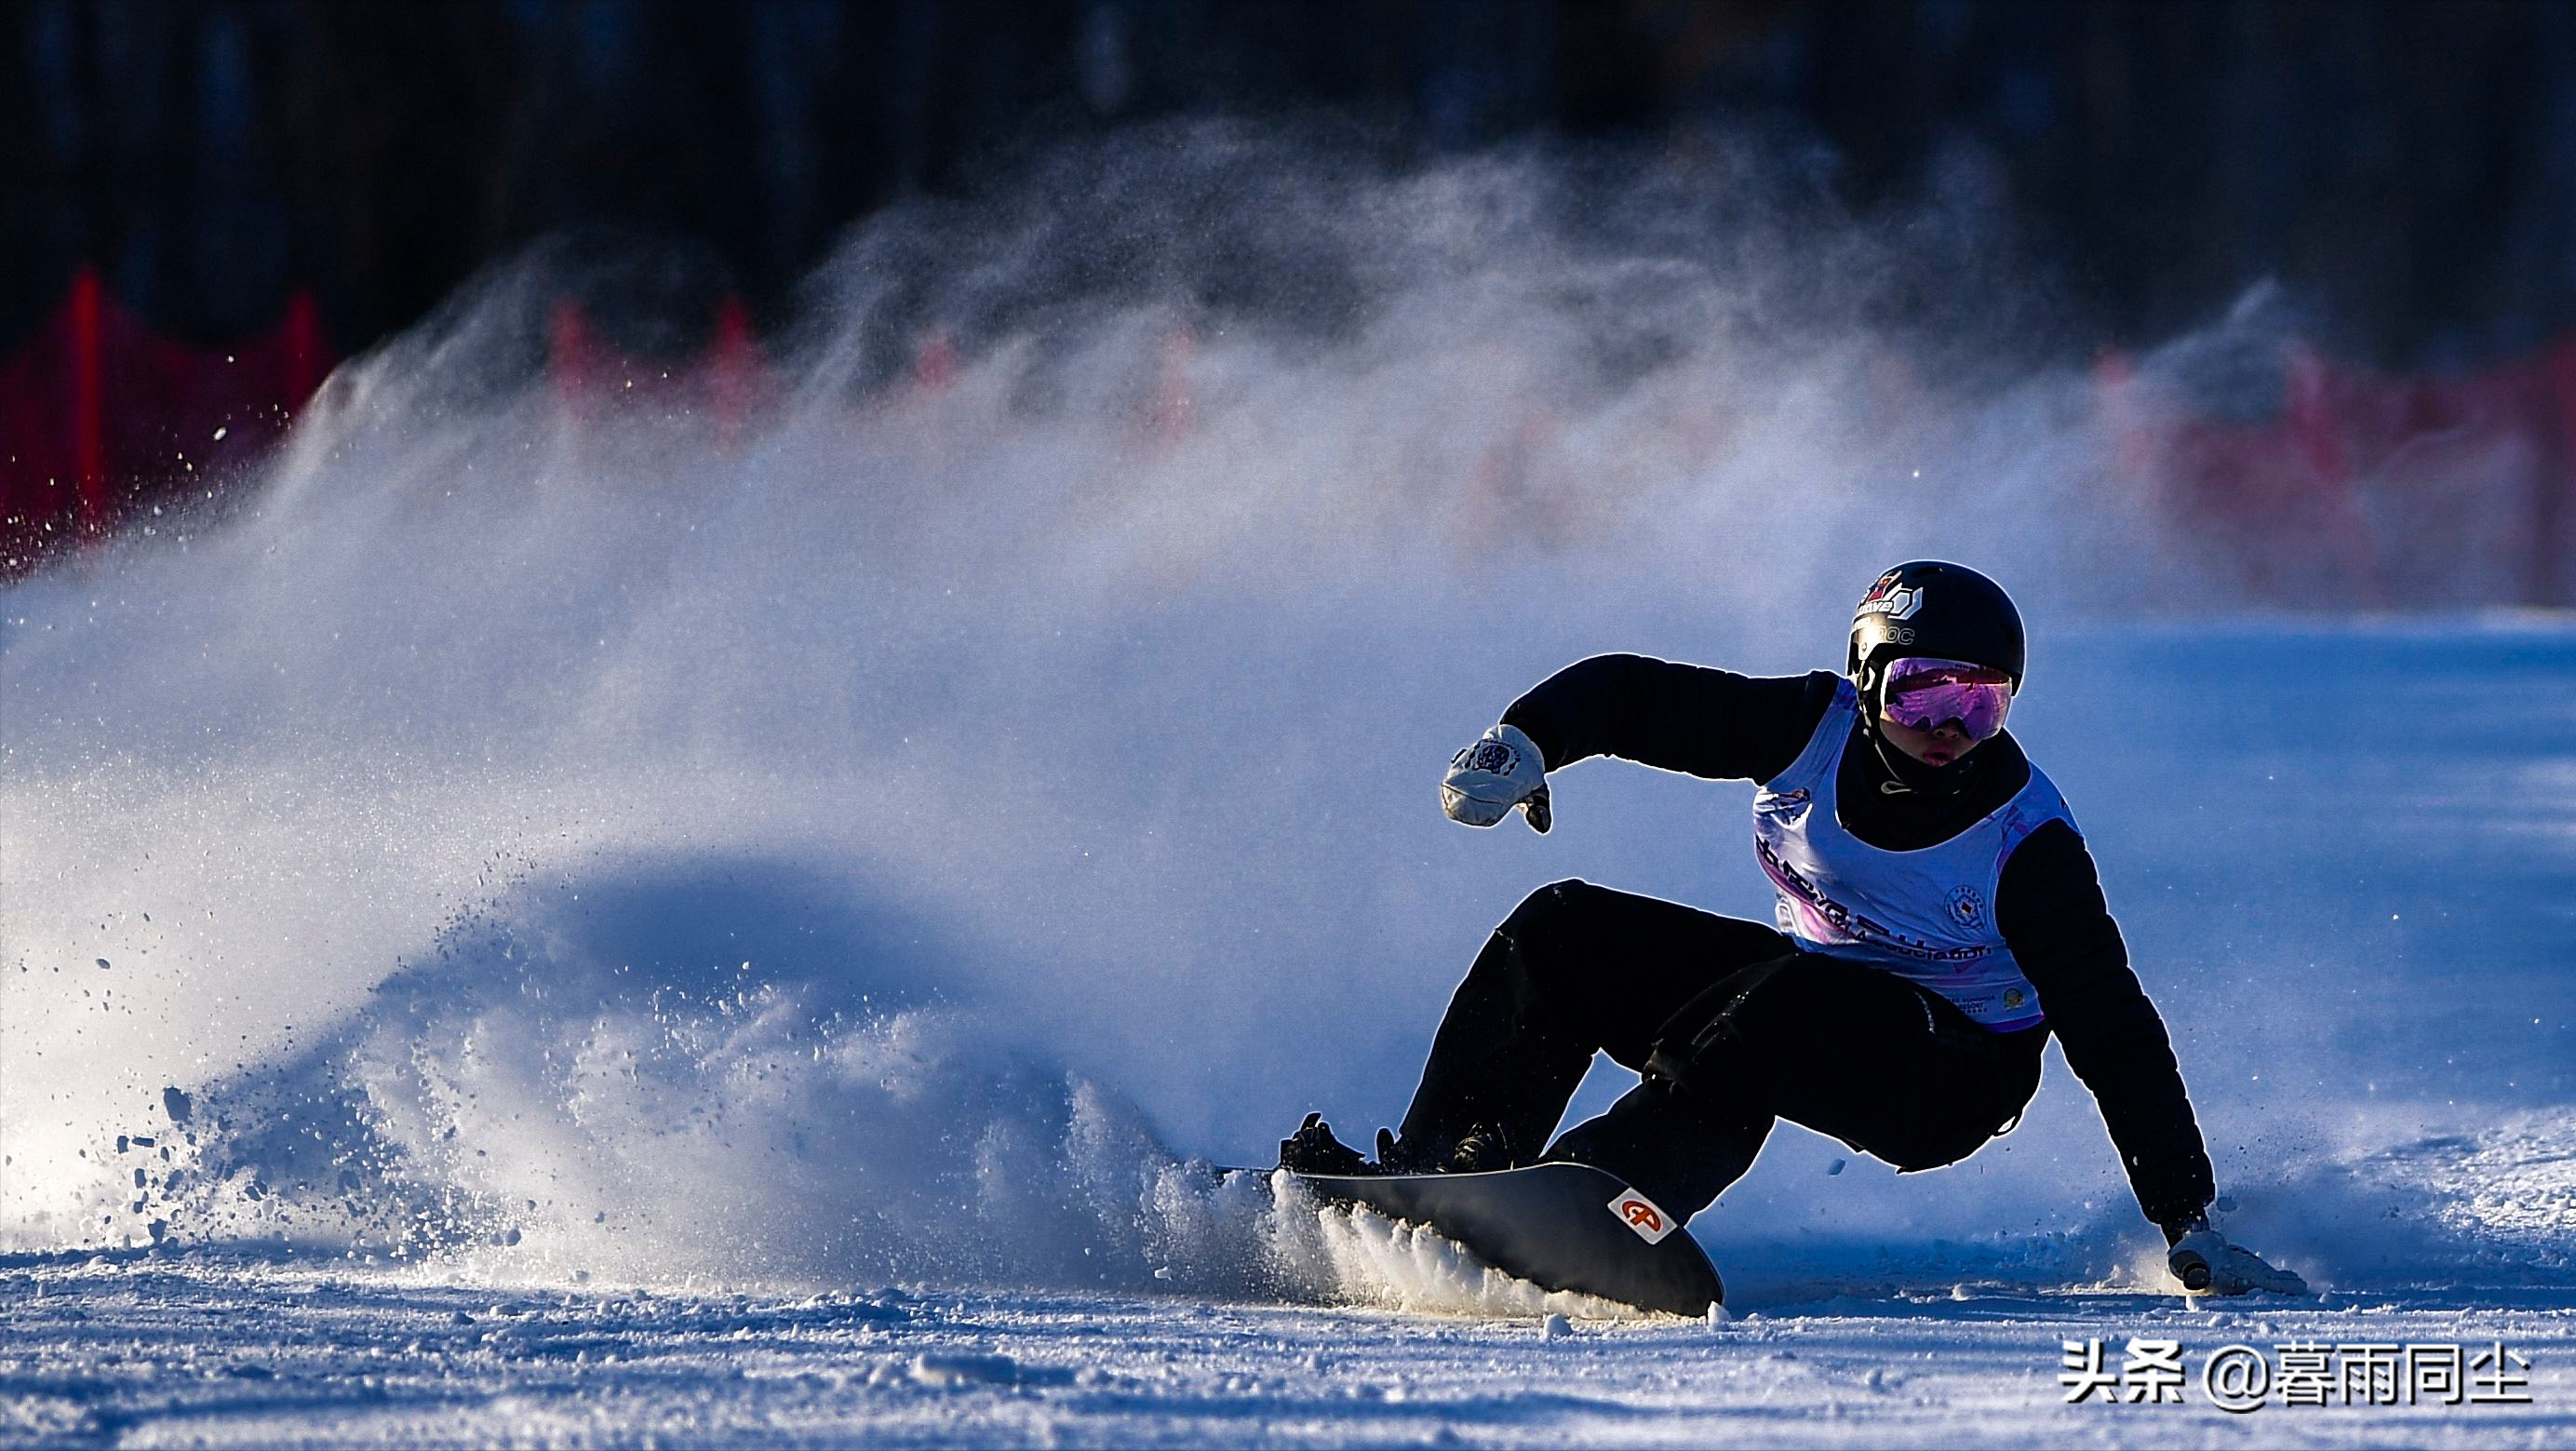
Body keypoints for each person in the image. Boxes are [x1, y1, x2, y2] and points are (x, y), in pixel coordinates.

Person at [1280, 561, 2302, 1295]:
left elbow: (2111, 1026)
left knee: (1776, 1013)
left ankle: (1607, 1189)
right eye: (1920, 692)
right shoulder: (1800, 729)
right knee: (1562, 930)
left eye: (1979, 704)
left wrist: (2184, 1215)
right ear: (1865, 684)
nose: (1948, 730)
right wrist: (1529, 737)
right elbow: (1637, 697)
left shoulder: (2023, 845)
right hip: (1807, 993)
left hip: (1949, 1072)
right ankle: (1444, 1167)